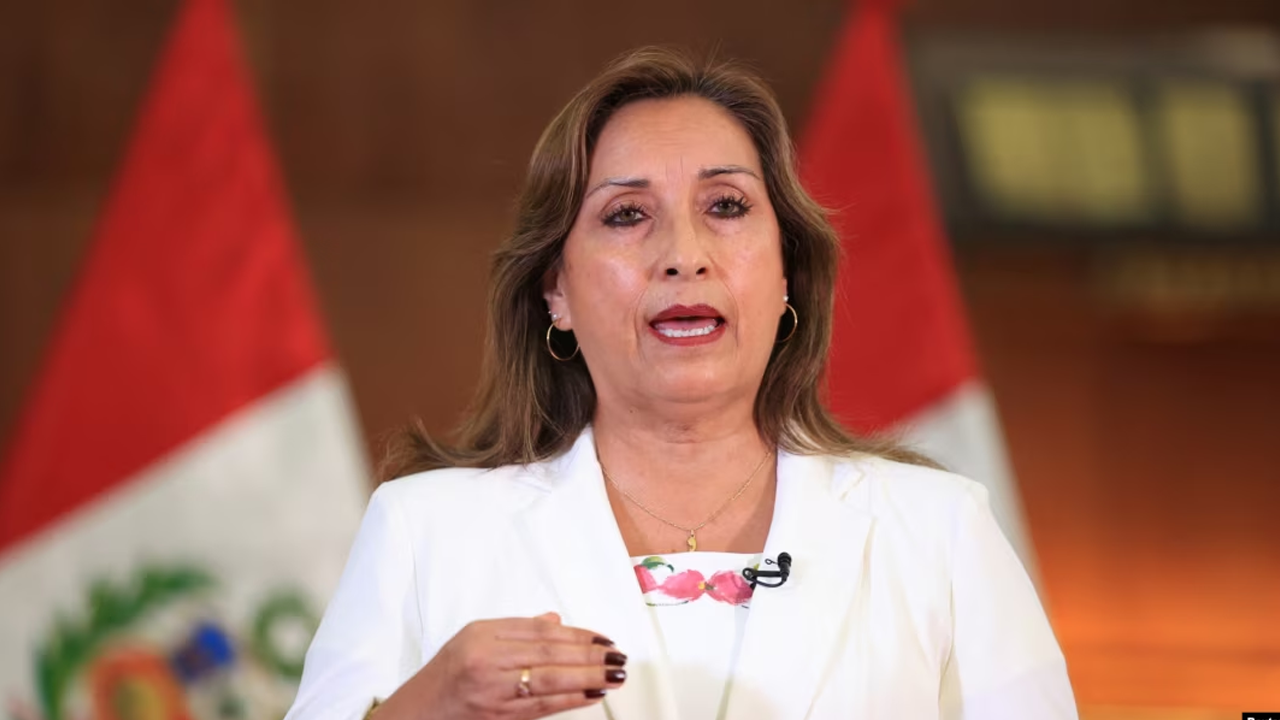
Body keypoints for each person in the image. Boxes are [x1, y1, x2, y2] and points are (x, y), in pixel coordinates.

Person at [284, 47, 1077, 720]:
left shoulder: (938, 532)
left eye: (726, 206)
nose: (684, 255)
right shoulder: (426, 532)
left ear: (787, 273)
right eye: (627, 215)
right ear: (556, 291)